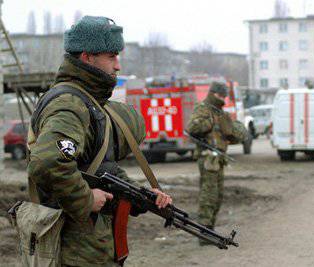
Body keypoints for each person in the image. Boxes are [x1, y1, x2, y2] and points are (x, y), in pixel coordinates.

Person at [27, 16, 172, 266]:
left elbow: (99, 169)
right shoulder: (70, 104)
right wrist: (85, 199)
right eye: (111, 56)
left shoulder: (88, 102)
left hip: (88, 244)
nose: (117, 65)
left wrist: (143, 196)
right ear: (87, 57)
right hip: (74, 246)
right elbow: (48, 162)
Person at [186, 82, 246, 246]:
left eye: (224, 96)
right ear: (214, 93)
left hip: (219, 159)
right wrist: (212, 120)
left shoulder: (220, 113)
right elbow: (192, 127)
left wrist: (232, 130)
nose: (223, 99)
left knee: (217, 195)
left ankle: (209, 229)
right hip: (207, 158)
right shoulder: (203, 109)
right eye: (221, 95)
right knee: (208, 195)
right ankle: (204, 233)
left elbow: (232, 135)